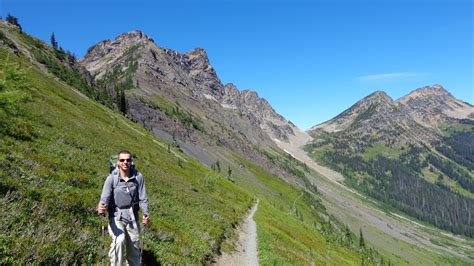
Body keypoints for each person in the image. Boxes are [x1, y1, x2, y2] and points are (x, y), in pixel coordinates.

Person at [97, 150, 150, 266]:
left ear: (131, 161)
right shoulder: (111, 178)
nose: (125, 162)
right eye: (122, 160)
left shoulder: (138, 177)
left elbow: (143, 197)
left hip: (133, 217)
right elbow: (104, 197)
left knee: (134, 248)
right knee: (119, 240)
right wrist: (101, 208)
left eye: (128, 160)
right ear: (117, 162)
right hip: (116, 215)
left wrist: (145, 213)